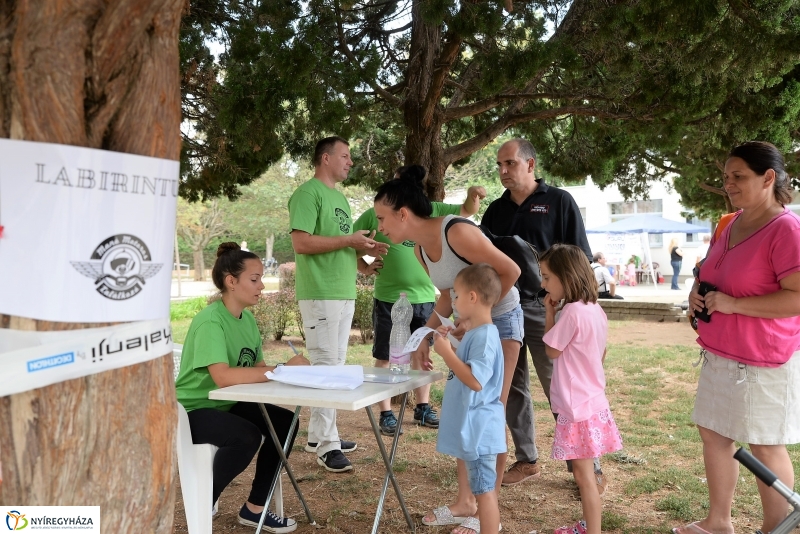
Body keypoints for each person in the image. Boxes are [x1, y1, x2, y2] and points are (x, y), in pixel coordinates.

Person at [372, 170, 522, 534]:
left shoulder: (456, 231)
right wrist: (427, 333)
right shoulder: (421, 248)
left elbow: (510, 271)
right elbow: (445, 293)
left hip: (498, 324)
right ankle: (465, 501)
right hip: (468, 326)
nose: (379, 228)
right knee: (465, 411)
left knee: (490, 412)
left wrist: (476, 320)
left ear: (403, 214)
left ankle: (487, 508)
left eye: (381, 219)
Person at [679, 141, 800, 534]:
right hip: (719, 352)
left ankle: (775, 528)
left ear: (768, 178)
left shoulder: (786, 229)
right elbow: (711, 272)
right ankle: (719, 522)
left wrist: (734, 305)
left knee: (765, 444)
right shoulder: (729, 222)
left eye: (738, 176)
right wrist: (696, 292)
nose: (728, 184)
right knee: (714, 433)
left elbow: (796, 298)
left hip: (763, 359)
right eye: (726, 176)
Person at [480, 138, 605, 491]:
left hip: (546, 309)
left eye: (510, 164)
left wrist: (570, 305)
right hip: (504, 310)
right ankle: (527, 459)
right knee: (512, 385)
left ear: (530, 164)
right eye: (499, 166)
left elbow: (579, 258)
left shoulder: (559, 201)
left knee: (561, 386)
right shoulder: (494, 211)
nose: (503, 171)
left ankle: (586, 467)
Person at [175, 242, 310, 532]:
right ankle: (203, 501)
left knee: (285, 424)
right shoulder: (211, 321)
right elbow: (223, 376)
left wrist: (287, 367)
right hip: (192, 409)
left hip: (226, 402)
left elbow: (255, 367)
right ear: (231, 282)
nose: (262, 285)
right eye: (255, 279)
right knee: (246, 436)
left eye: (261, 278)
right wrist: (280, 370)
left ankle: (254, 509)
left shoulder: (246, 318)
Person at [354, 165, 487, 435]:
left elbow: (466, 211)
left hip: (426, 298)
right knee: (386, 355)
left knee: (420, 352)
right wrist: (364, 265)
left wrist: (474, 194)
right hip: (389, 298)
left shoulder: (433, 212)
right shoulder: (376, 214)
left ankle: (422, 407)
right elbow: (352, 241)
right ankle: (386, 412)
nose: (381, 226)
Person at [288, 136, 389, 473]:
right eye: (345, 156)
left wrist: (364, 262)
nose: (350, 162)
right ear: (326, 158)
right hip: (321, 292)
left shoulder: (339, 197)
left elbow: (341, 247)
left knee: (332, 362)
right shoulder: (307, 193)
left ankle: (319, 435)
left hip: (342, 290)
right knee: (327, 366)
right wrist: (351, 240)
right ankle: (327, 446)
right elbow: (301, 243)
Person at [539, 244, 622, 534]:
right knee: (584, 474)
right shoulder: (595, 310)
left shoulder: (570, 312)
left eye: (547, 277)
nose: (543, 284)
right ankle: (590, 524)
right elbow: (601, 354)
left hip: (577, 407)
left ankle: (593, 530)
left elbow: (551, 349)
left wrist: (550, 314)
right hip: (593, 402)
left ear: (567, 276)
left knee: (584, 476)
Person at [431, 263, 507, 534]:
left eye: (456, 296)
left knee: (485, 492)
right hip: (474, 428)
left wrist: (446, 354)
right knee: (481, 487)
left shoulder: (485, 336)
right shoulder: (477, 333)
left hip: (481, 430)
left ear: (472, 297)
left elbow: (475, 380)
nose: (453, 302)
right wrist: (452, 342)